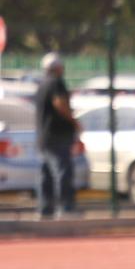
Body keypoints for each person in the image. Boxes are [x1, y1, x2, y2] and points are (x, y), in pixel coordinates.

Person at [33, 53, 79, 220]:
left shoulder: (41, 85)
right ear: (57, 68)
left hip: (43, 136)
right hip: (57, 135)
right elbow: (59, 103)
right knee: (62, 171)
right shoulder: (56, 83)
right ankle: (65, 208)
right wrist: (74, 122)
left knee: (45, 173)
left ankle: (45, 209)